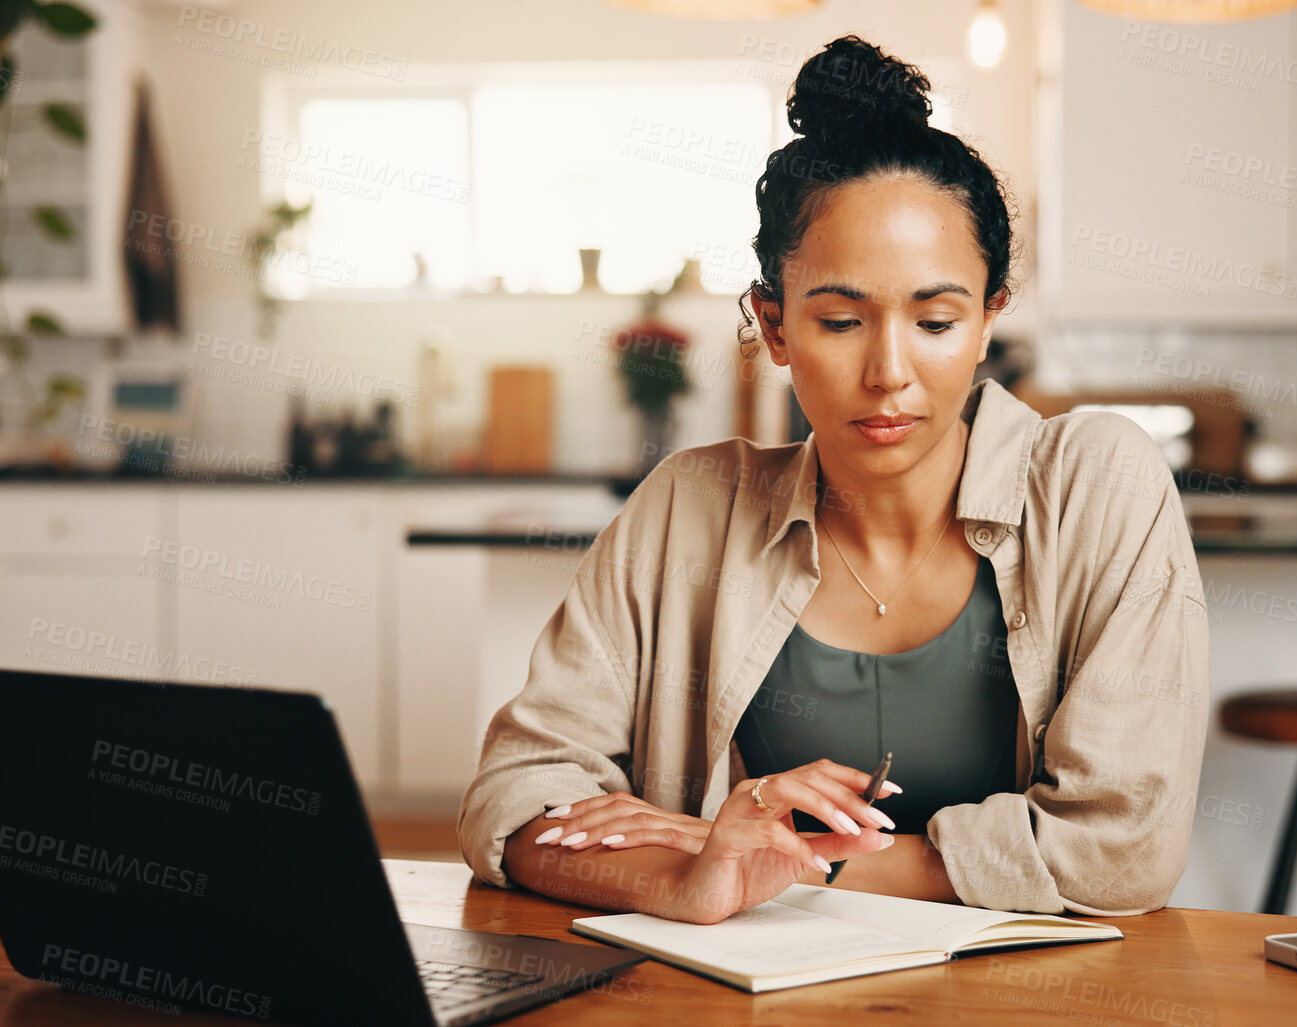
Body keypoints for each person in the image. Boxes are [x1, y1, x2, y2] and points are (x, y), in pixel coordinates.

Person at [458, 35, 1208, 925]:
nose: (889, 370)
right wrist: (686, 878)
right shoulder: (687, 509)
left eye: (934, 319)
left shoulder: (1095, 482)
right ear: (774, 328)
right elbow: (512, 798)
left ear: (987, 319)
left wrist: (778, 856)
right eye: (842, 319)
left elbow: (1119, 856)